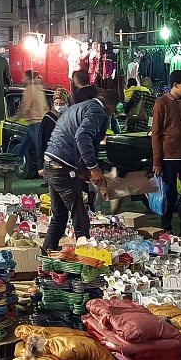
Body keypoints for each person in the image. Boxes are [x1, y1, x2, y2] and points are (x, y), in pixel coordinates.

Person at [42, 90, 120, 251]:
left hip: (51, 163)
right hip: (62, 166)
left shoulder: (80, 107)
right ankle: (85, 257)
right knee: (79, 213)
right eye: (115, 108)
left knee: (60, 215)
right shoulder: (97, 112)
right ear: (110, 106)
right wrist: (93, 168)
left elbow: (72, 136)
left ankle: (47, 255)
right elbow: (82, 136)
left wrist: (83, 170)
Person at [151, 70, 181, 234]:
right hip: (168, 157)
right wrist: (157, 161)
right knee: (168, 194)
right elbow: (155, 134)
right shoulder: (161, 103)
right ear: (175, 85)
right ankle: (166, 226)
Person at [14, 71, 49, 166]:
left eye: (24, 77)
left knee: (39, 148)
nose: (22, 79)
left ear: (28, 78)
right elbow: (45, 106)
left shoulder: (30, 88)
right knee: (25, 144)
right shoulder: (40, 88)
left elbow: (25, 105)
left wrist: (17, 117)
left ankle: (44, 168)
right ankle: (15, 161)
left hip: (34, 122)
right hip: (40, 120)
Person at [38, 88, 71, 168]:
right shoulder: (48, 118)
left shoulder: (71, 117)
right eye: (56, 103)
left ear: (67, 103)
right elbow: (41, 142)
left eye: (62, 104)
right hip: (51, 159)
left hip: (69, 160)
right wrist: (40, 165)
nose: (59, 106)